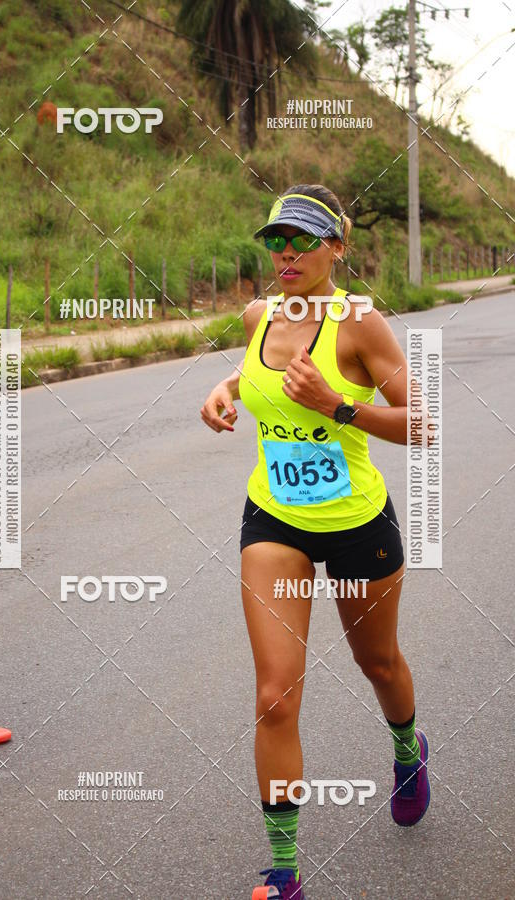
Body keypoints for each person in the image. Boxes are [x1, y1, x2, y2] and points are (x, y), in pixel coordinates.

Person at [200, 185, 430, 900]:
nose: (288, 254)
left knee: (380, 663)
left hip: (359, 524)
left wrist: (335, 405)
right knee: (274, 697)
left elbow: (419, 422)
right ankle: (284, 870)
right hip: (275, 522)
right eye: (277, 240)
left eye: (304, 240)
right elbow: (258, 368)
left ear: (338, 246)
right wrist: (226, 386)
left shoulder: (361, 325)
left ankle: (406, 751)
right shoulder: (256, 315)